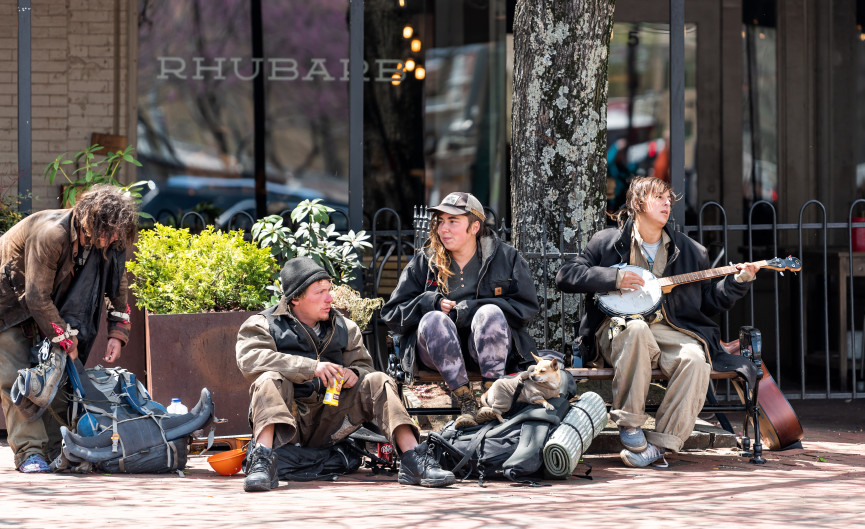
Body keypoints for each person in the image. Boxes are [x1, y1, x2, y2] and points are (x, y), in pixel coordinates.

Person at [555, 176, 759, 468]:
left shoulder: (690, 250)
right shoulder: (608, 243)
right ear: (638, 204)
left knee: (695, 358)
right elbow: (566, 276)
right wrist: (614, 278)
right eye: (659, 197)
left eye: (669, 198)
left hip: (670, 328)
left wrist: (740, 281)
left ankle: (660, 445)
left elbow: (710, 302)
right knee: (636, 329)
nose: (667, 203)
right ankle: (629, 422)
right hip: (619, 326)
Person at [236, 257, 455, 491]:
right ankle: (262, 461)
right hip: (287, 425)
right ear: (296, 298)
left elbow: (365, 366)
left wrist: (355, 372)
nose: (329, 298)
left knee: (378, 380)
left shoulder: (345, 327)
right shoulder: (262, 324)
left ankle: (414, 459)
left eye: (329, 290)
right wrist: (310, 367)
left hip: (330, 419)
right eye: (319, 292)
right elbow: (250, 360)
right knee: (269, 379)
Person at [0, 185, 137, 473]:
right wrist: (64, 338)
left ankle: (54, 449)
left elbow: (118, 282)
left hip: (44, 304)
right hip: (7, 304)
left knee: (57, 375)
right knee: (17, 378)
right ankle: (29, 453)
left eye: (118, 234)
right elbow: (36, 296)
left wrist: (118, 331)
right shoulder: (51, 234)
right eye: (110, 232)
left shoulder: (106, 237)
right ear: (93, 221)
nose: (114, 239)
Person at [382, 192, 539, 428]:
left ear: (474, 226)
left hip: (488, 351)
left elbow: (526, 309)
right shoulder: (425, 261)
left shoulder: (507, 258)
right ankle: (465, 400)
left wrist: (472, 309)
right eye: (440, 221)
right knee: (434, 319)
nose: (443, 229)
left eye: (453, 221)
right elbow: (392, 314)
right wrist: (429, 302)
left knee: (490, 313)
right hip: (436, 354)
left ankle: (491, 400)